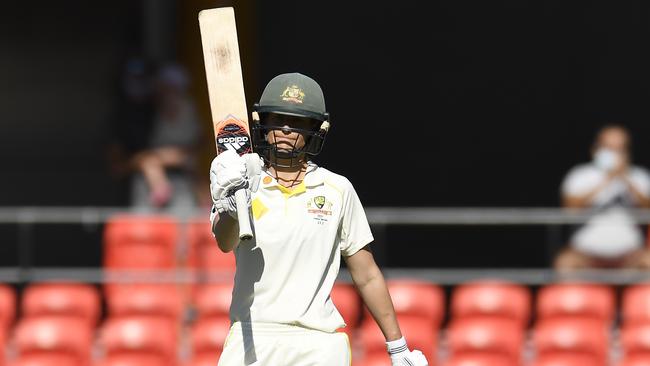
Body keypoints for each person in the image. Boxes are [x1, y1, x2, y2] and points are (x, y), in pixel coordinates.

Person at [209, 73, 428, 365]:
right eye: (279, 118)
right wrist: (231, 203)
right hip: (252, 336)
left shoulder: (337, 188)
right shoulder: (241, 178)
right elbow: (225, 243)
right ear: (263, 122)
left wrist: (397, 346)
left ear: (315, 129)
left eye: (298, 122)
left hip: (318, 342)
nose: (286, 129)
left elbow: (367, 273)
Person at [555, 125, 650, 270]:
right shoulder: (579, 175)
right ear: (595, 149)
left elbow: (647, 208)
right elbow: (570, 209)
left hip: (631, 254)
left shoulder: (639, 176)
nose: (614, 153)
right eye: (608, 148)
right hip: (585, 254)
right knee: (565, 263)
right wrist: (607, 179)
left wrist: (624, 177)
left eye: (620, 148)